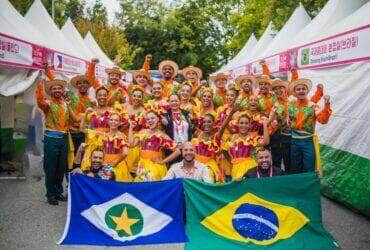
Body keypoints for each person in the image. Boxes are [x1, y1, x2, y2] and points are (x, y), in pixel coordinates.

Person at [36, 70, 78, 205]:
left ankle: (58, 192)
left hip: (65, 138)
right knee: (51, 167)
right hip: (51, 138)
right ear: (51, 91)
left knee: (61, 167)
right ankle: (50, 194)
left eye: (59, 88)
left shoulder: (66, 104)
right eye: (54, 88)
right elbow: (39, 100)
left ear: (62, 90)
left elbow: (74, 120)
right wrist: (40, 83)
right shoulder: (47, 104)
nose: (57, 90)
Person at [288, 78, 332, 175]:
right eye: (298, 89)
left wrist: (326, 105)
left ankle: (309, 188)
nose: (301, 91)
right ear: (295, 92)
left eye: (303, 89)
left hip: (307, 142)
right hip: (294, 141)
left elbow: (323, 120)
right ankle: (297, 188)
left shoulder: (313, 106)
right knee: (295, 167)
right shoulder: (291, 105)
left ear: (307, 91)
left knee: (309, 167)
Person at [78, 112, 131, 182]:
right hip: (104, 164)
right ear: (108, 122)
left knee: (112, 185)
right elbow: (81, 129)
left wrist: (115, 163)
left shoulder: (121, 136)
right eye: (111, 120)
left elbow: (125, 153)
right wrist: (86, 113)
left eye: (116, 120)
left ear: (120, 123)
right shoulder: (103, 135)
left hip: (116, 166)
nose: (113, 122)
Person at [129, 111, 181, 181]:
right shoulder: (142, 132)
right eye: (148, 119)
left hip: (155, 167)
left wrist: (163, 161)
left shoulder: (162, 135)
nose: (150, 120)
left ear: (157, 119)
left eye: (152, 118)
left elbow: (177, 151)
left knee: (152, 187)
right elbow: (132, 144)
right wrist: (131, 128)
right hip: (142, 165)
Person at [222, 113, 270, 180]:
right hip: (236, 169)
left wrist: (265, 125)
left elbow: (266, 142)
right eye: (241, 123)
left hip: (251, 168)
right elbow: (224, 149)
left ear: (249, 125)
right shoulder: (232, 138)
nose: (243, 125)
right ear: (237, 124)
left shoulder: (252, 138)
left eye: (246, 123)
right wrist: (231, 161)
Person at [66, 59, 97, 156]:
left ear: (88, 85)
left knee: (85, 157)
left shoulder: (92, 100)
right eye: (80, 83)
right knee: (73, 157)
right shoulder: (73, 98)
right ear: (77, 85)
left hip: (86, 133)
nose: (82, 85)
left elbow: (93, 119)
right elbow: (74, 118)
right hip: (73, 133)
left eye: (85, 82)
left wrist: (92, 65)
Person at [268, 78, 290, 170]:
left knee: (289, 161)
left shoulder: (293, 100)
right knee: (277, 161)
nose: (278, 90)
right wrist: (272, 124)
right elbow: (271, 121)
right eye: (275, 89)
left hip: (293, 136)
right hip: (279, 135)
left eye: (281, 87)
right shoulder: (276, 104)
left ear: (285, 89)